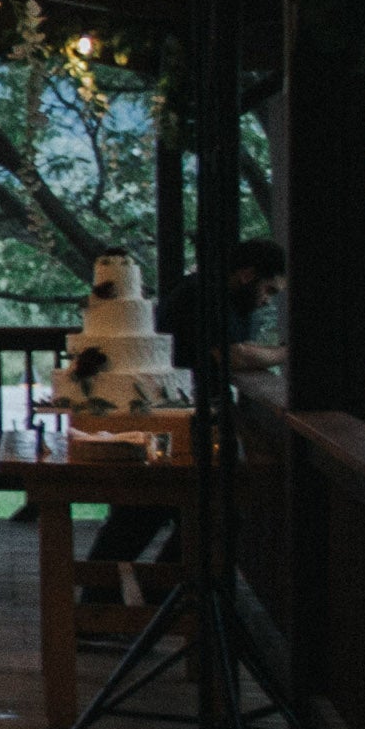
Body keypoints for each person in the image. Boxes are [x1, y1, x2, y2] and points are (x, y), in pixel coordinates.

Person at [86, 239, 286, 572]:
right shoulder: (202, 297)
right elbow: (232, 354)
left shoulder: (215, 297)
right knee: (149, 515)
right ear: (248, 275)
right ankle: (115, 606)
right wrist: (284, 353)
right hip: (167, 423)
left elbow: (237, 349)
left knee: (173, 517)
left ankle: (131, 603)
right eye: (269, 289)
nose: (266, 301)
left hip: (177, 421)